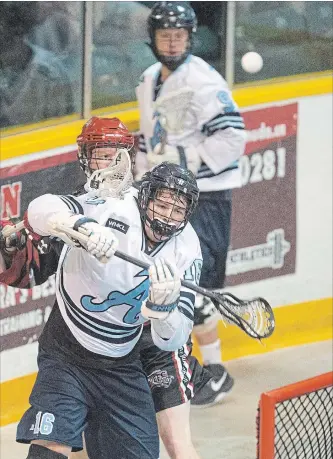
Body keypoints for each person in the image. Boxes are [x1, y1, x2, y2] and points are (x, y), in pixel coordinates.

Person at [0, 117, 207, 459]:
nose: (167, 215)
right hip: (72, 346)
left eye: (177, 209)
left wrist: (162, 309)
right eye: (101, 153)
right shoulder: (109, 205)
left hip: (141, 349)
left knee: (177, 444)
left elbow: (172, 337)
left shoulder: (186, 248)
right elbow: (40, 221)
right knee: (53, 443)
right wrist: (75, 225)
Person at [135, 1, 247, 407]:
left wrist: (185, 165)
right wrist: (142, 184)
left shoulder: (203, 80)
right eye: (165, 35)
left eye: (179, 35)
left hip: (206, 196)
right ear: (153, 38)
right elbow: (151, 141)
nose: (171, 41)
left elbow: (233, 136)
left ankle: (214, 372)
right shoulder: (149, 78)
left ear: (190, 37)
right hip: (166, 196)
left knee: (197, 284)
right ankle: (188, 370)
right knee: (168, 280)